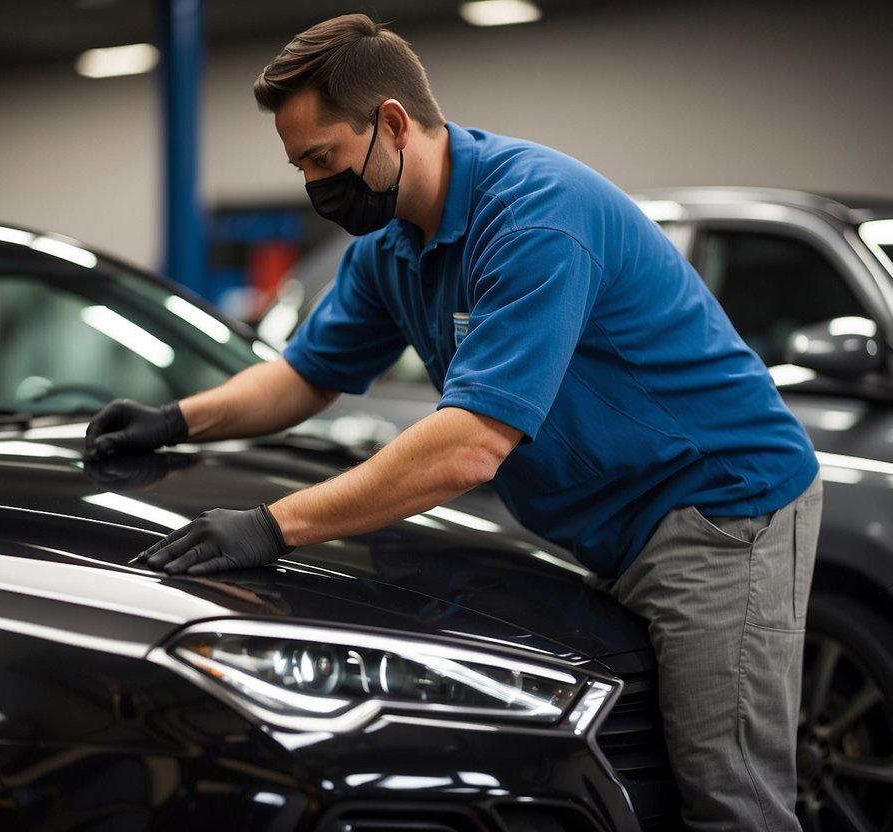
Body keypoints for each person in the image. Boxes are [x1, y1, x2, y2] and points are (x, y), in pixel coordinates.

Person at [85, 14, 823, 831]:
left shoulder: (535, 215)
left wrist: (272, 526)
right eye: (299, 166)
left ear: (392, 123)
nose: (314, 186)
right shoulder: (391, 248)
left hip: (718, 510)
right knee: (627, 786)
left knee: (727, 798)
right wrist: (171, 419)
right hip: (608, 526)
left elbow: (470, 446)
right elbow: (305, 375)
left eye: (323, 159)